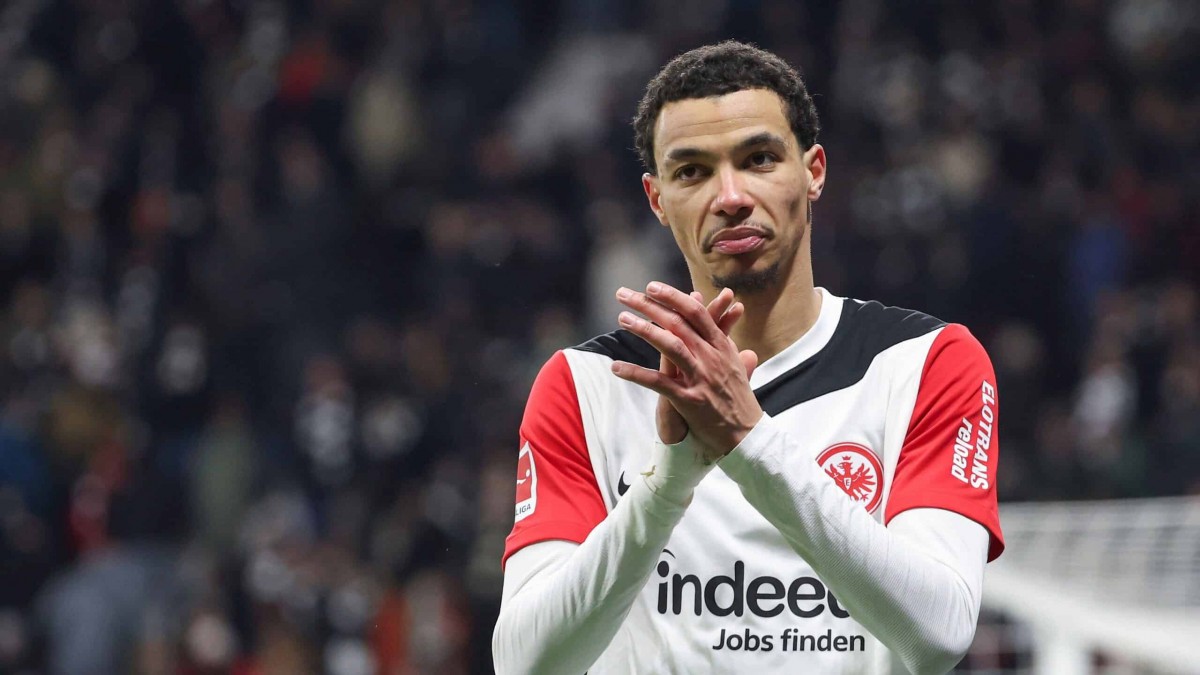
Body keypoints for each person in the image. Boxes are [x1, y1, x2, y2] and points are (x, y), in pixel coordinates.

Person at [492, 41, 1003, 675]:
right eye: (692, 171)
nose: (730, 196)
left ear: (814, 172)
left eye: (758, 159)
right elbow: (524, 663)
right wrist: (667, 484)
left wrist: (747, 439)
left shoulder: (927, 363)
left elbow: (939, 634)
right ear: (657, 199)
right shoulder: (586, 384)